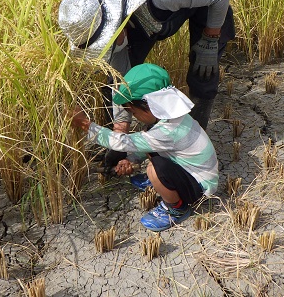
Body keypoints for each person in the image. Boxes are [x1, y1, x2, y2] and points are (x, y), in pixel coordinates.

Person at [59, 0, 235, 132]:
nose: (109, 50)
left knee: (203, 65)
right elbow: (121, 80)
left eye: (107, 42)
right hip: (139, 11)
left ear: (118, 25)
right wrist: (120, 134)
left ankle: (194, 133)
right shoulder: (95, 12)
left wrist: (210, 39)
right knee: (118, 74)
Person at [69, 63, 219, 232]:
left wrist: (84, 124)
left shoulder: (167, 131)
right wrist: (131, 159)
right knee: (148, 138)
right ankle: (166, 184)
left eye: (133, 112)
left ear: (148, 106)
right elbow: (147, 145)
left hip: (200, 188)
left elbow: (120, 141)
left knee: (154, 169)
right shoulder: (173, 119)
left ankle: (177, 208)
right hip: (193, 173)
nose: (134, 117)